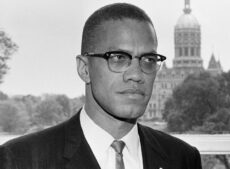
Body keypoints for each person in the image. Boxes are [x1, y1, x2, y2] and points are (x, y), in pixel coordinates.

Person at [0, 3, 202, 169]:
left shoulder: (183, 159)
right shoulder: (21, 160)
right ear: (84, 69)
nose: (136, 74)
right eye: (118, 58)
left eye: (148, 59)